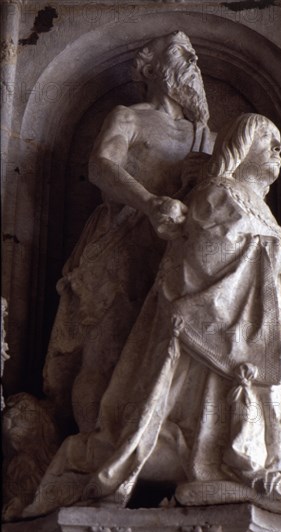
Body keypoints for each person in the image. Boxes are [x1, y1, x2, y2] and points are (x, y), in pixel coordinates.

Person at [23, 113, 281, 523]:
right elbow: (207, 263)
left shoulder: (262, 211)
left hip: (258, 334)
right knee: (269, 369)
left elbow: (278, 292)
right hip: (213, 338)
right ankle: (245, 473)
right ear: (242, 144)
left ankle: (276, 470)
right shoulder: (217, 193)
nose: (279, 150)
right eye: (269, 139)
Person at [42, 31, 214, 434]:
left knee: (173, 362)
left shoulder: (207, 137)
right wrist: (151, 202)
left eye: (194, 58)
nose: (193, 64)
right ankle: (91, 451)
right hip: (121, 245)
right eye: (181, 55)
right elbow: (101, 166)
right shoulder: (128, 116)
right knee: (104, 352)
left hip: (177, 256)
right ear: (151, 68)